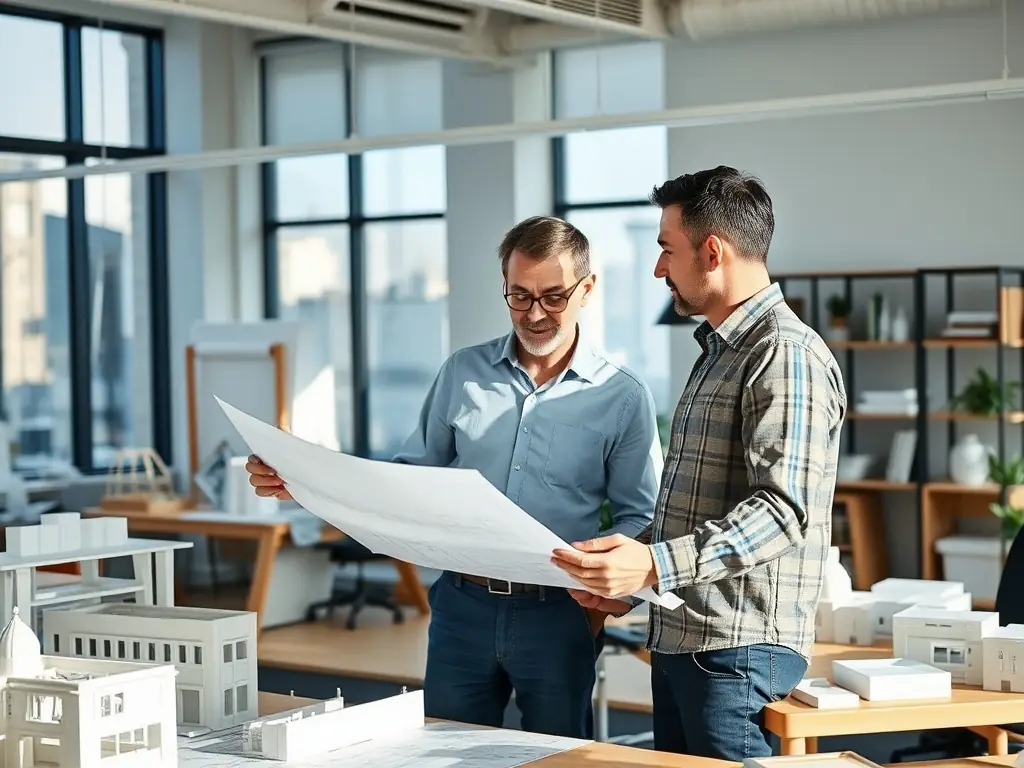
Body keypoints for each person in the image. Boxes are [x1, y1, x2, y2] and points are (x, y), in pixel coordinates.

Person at [246, 215, 663, 739]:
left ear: (588, 289)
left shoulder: (622, 396)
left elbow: (640, 514)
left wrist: (610, 598)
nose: (535, 314)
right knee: (446, 750)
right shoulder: (462, 373)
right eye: (519, 296)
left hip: (560, 612)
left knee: (558, 755)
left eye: (554, 297)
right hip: (461, 608)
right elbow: (407, 482)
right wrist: (303, 480)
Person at [551, 166, 847, 760]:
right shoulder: (719, 351)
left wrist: (654, 564)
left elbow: (781, 513)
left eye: (667, 249)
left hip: (735, 652)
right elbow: (699, 506)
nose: (659, 268)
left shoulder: (782, 354)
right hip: (691, 643)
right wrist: (628, 575)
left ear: (711, 251)